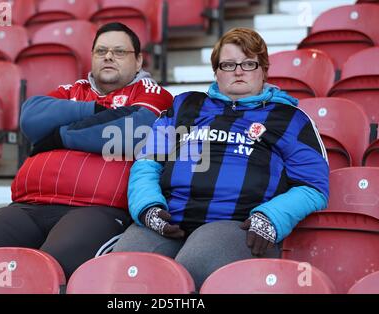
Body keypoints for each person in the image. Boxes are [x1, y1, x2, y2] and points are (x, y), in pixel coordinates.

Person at [0, 22, 173, 279]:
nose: (108, 56)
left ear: (138, 61)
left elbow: (134, 130)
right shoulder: (71, 90)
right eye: (100, 51)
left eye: (119, 52)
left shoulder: (151, 92)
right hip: (29, 205)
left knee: (57, 262)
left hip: (95, 208)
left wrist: (59, 135)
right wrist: (93, 111)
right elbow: (31, 118)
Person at [113, 27, 329, 290]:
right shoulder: (185, 105)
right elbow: (148, 161)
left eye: (249, 63)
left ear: (264, 70)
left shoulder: (291, 118)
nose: (238, 71)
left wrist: (271, 217)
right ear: (216, 71)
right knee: (122, 271)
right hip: (170, 218)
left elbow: (313, 186)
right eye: (228, 65)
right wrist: (148, 208)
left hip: (235, 223)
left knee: (193, 269)